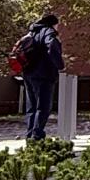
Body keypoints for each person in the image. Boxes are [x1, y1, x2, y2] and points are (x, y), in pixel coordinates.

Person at [21, 13, 64, 142]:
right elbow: (51, 46)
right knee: (43, 107)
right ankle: (37, 136)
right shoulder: (48, 31)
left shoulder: (32, 32)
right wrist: (60, 65)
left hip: (28, 73)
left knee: (32, 107)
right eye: (57, 25)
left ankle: (30, 135)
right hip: (44, 74)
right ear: (53, 24)